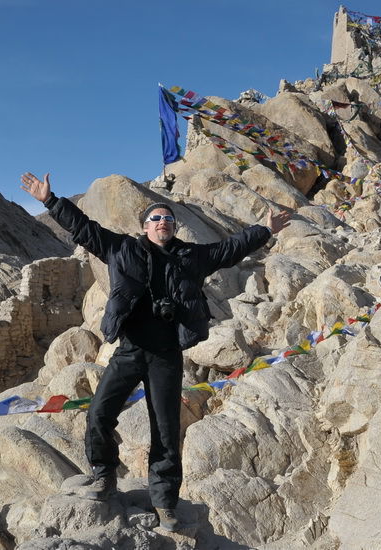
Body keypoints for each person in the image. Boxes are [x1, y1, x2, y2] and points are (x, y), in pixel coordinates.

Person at [20, 172, 291, 531]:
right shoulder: (121, 249)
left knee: (164, 430)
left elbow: (228, 250)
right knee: (100, 413)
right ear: (144, 226)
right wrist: (50, 201)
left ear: (174, 227)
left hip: (167, 354)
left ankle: (164, 501)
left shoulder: (190, 257)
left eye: (168, 218)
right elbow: (84, 228)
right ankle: (104, 475)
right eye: (156, 218)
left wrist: (264, 230)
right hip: (130, 350)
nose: (163, 222)